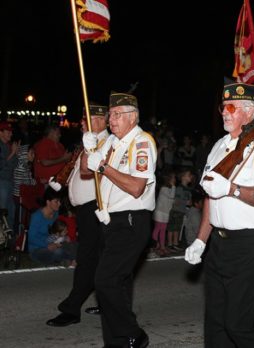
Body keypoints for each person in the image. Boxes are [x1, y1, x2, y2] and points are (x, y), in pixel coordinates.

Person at [185, 79, 254, 347]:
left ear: (250, 112)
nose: (225, 113)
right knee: (216, 327)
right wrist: (201, 239)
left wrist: (232, 188)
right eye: (223, 107)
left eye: (232, 107)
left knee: (239, 325)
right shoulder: (218, 147)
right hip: (219, 244)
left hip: (251, 246)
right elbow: (210, 197)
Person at [80, 92, 157, 347]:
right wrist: (88, 146)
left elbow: (136, 187)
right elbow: (84, 170)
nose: (111, 119)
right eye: (110, 115)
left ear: (132, 117)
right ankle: (117, 342)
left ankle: (134, 333)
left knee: (104, 281)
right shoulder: (112, 141)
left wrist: (103, 167)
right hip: (109, 221)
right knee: (118, 285)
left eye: (117, 114)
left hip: (131, 220)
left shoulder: (142, 143)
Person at [46, 104, 109, 327]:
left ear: (101, 120)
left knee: (87, 259)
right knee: (99, 258)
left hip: (95, 208)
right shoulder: (90, 141)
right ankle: (108, 303)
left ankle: (71, 310)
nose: (82, 123)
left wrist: (90, 148)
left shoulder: (106, 142)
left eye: (86, 119)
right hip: (85, 210)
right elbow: (75, 169)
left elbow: (89, 171)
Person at [27, 187, 74, 265]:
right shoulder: (37, 216)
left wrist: (64, 238)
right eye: (56, 201)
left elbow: (58, 231)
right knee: (58, 252)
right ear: (48, 202)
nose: (59, 204)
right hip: (37, 249)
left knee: (73, 245)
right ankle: (69, 260)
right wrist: (47, 245)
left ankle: (68, 260)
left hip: (54, 244)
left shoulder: (56, 214)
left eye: (59, 201)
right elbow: (31, 238)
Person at [148, 169, 176, 258]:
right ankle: (152, 247)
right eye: (173, 178)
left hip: (165, 212)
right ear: (169, 179)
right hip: (160, 212)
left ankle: (162, 247)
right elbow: (171, 197)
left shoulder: (169, 188)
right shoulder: (164, 188)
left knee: (163, 230)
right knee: (157, 229)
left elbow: (171, 199)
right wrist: (174, 186)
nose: (175, 179)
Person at [167, 168, 193, 251]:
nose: (191, 177)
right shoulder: (179, 188)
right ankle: (170, 244)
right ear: (183, 177)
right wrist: (185, 202)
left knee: (177, 228)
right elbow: (176, 201)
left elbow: (189, 201)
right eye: (188, 175)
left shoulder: (188, 189)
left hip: (181, 211)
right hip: (176, 211)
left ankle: (175, 244)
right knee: (172, 228)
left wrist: (189, 202)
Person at [0, 121, 19, 229]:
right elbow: (1, 165)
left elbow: (14, 164)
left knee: (11, 210)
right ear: (0, 133)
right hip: (2, 182)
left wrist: (15, 153)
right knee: (3, 211)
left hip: (9, 181)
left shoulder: (8, 145)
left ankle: (9, 235)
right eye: (8, 132)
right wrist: (13, 152)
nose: (11, 134)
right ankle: (3, 238)